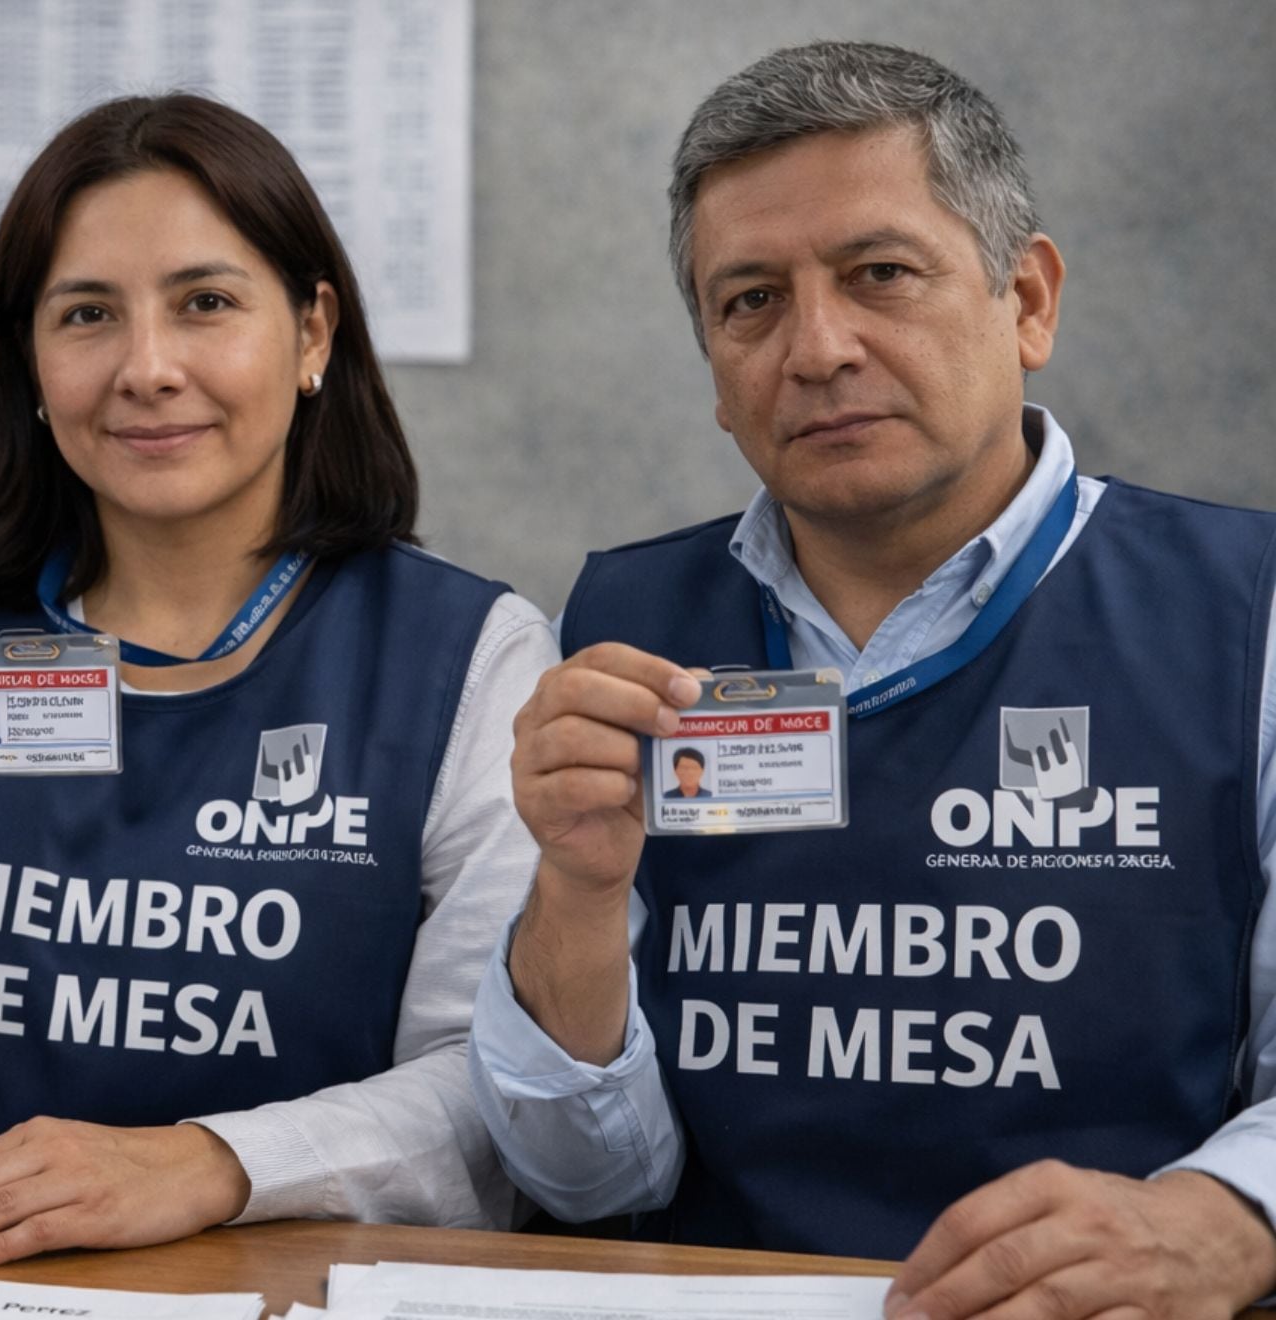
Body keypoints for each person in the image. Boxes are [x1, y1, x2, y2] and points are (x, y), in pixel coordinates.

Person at [471, 39, 1276, 1317]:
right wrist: (575, 888)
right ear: (716, 379)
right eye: (750, 302)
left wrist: (1226, 1221)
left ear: (1028, 302)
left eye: (879, 275)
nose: (817, 347)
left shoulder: (1245, 616)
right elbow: (580, 1183)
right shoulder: (623, 630)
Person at [0, 93, 553, 1266]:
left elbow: (494, 1105)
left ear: (312, 335)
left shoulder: (474, 656)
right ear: (29, 361)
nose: (147, 369)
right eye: (88, 314)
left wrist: (210, 1163)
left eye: (205, 304)